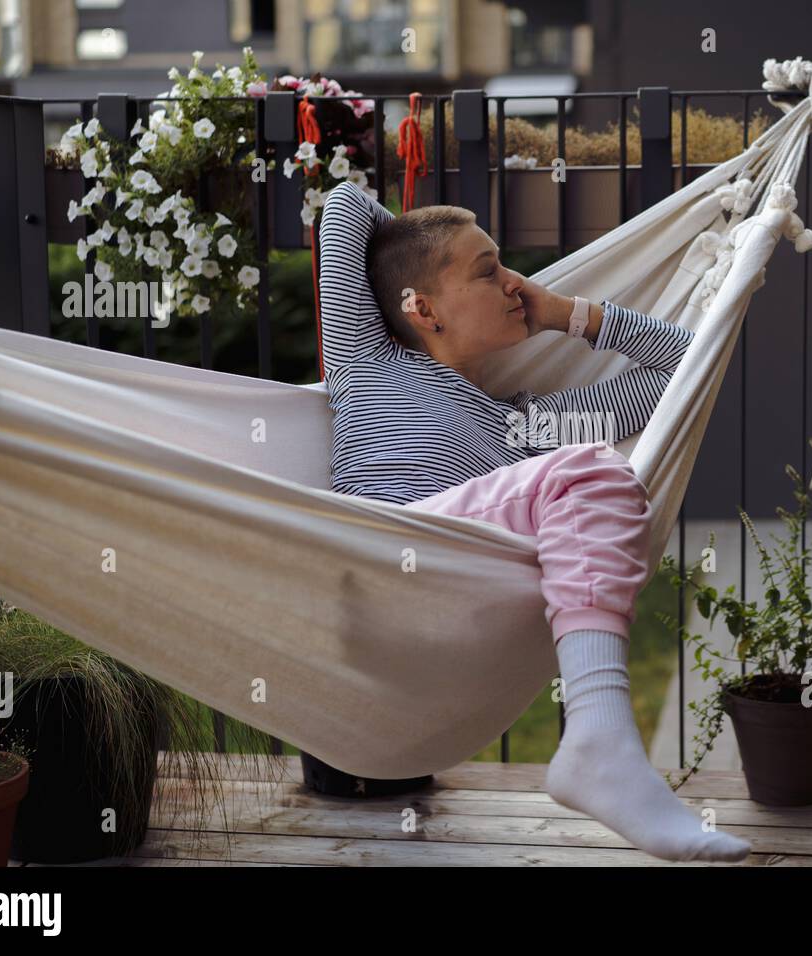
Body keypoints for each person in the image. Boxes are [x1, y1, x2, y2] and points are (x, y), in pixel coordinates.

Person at [319, 183, 751, 863]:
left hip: (460, 587)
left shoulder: (526, 426)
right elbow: (345, 204)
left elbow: (686, 367)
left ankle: (599, 742)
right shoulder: (365, 362)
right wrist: (409, 243)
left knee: (591, 472)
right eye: (489, 271)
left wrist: (567, 313)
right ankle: (599, 742)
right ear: (422, 308)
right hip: (385, 558)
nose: (515, 285)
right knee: (591, 470)